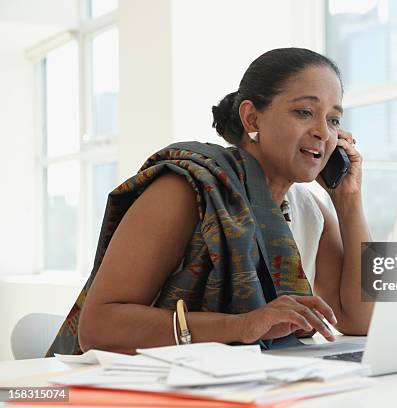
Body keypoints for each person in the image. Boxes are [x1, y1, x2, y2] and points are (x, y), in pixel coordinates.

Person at [46, 48, 373, 356]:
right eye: (304, 112)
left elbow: (361, 320)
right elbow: (98, 327)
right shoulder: (187, 188)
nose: (323, 133)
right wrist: (243, 326)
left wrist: (349, 200)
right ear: (252, 119)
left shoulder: (309, 209)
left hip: (253, 388)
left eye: (333, 120)